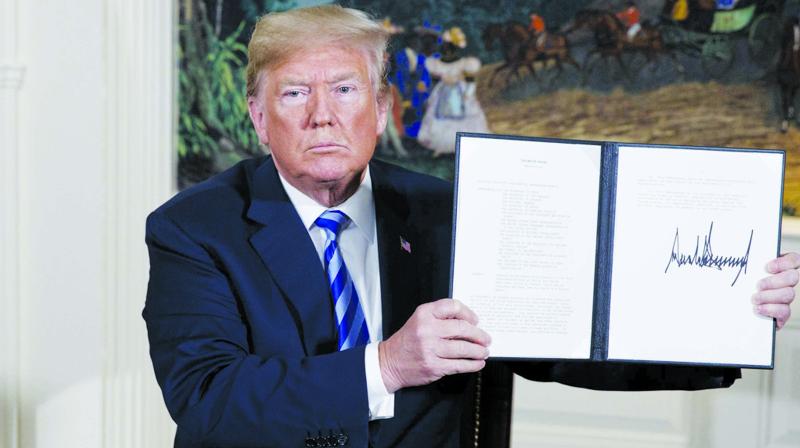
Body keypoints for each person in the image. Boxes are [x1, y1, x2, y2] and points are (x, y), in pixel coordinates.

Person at [144, 5, 797, 447]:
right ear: (260, 119)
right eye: (294, 93)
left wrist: (727, 317)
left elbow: (566, 338)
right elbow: (208, 399)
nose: (323, 115)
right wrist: (386, 366)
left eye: (344, 89)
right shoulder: (193, 229)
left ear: (382, 110)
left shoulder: (448, 210)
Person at [418, 26, 490, 156]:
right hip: (443, 93)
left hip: (460, 93)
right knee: (440, 118)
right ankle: (441, 146)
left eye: (449, 47)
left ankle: (463, 147)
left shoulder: (465, 63)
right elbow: (432, 79)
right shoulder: (436, 63)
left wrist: (468, 94)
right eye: (445, 47)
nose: (447, 50)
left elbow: (470, 80)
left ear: (455, 48)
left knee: (464, 118)